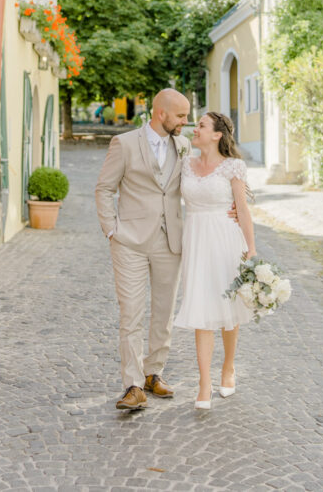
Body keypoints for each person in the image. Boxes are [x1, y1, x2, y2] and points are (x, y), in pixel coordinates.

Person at [95, 88, 191, 410]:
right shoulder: (123, 144)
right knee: (131, 313)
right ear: (161, 113)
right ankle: (133, 385)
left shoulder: (184, 145)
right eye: (181, 116)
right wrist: (112, 230)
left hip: (170, 241)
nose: (185, 122)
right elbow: (104, 188)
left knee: (163, 313)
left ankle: (154, 374)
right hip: (130, 243)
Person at [173, 112, 255, 410]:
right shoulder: (185, 162)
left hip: (225, 238)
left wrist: (252, 248)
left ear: (217, 134)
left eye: (202, 126)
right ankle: (204, 382)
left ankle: (228, 367)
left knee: (228, 308)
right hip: (195, 240)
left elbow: (243, 209)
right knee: (201, 308)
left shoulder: (233, 166)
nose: (195, 129)